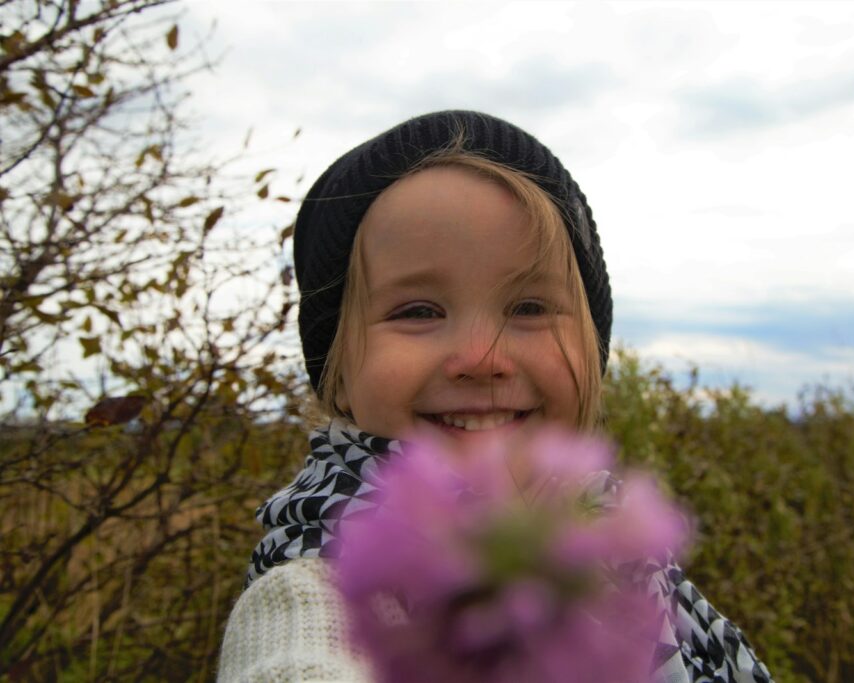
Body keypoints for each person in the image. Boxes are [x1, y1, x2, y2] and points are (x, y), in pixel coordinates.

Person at [217, 110, 773, 683]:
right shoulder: (325, 578)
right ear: (336, 369)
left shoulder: (609, 540)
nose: (482, 359)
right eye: (418, 312)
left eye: (529, 308)